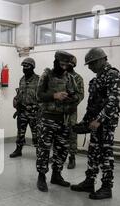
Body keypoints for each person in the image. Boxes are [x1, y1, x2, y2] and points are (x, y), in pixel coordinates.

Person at [71, 48, 120, 200]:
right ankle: (89, 181)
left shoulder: (113, 75)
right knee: (93, 153)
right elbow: (92, 105)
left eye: (92, 63)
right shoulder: (95, 79)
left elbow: (113, 101)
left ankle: (107, 187)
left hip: (106, 123)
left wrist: (99, 120)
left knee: (106, 154)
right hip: (94, 123)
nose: (90, 67)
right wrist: (85, 122)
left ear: (101, 60)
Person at [36, 51, 80, 192]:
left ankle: (56, 175)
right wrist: (54, 95)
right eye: (61, 64)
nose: (64, 68)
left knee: (61, 150)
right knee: (44, 149)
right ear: (56, 62)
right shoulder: (47, 75)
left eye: (66, 65)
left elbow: (77, 95)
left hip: (63, 120)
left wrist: (70, 98)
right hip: (48, 118)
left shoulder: (70, 78)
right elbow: (39, 95)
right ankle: (41, 177)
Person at [10, 57, 40, 158]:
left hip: (34, 112)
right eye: (23, 66)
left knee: (36, 134)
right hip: (22, 111)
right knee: (20, 132)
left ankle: (39, 152)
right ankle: (18, 149)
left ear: (32, 67)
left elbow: (41, 97)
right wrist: (15, 99)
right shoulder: (22, 79)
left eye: (27, 66)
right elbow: (20, 93)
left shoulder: (39, 80)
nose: (25, 68)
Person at [65, 56, 85, 169]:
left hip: (71, 110)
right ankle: (57, 155)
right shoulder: (60, 77)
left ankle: (72, 157)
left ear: (73, 64)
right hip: (58, 110)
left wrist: (72, 102)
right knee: (58, 133)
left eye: (68, 63)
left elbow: (81, 94)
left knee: (72, 133)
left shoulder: (78, 78)